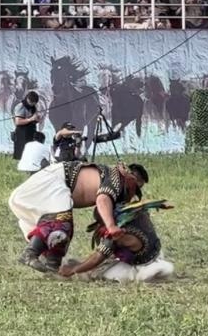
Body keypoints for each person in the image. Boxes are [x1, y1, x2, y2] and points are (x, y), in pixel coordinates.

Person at [9, 160, 148, 271]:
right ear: (131, 177)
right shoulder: (116, 177)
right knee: (61, 222)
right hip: (52, 181)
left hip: (52, 185)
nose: (133, 193)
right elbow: (103, 200)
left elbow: (102, 209)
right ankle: (30, 253)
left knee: (65, 229)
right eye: (136, 188)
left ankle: (52, 265)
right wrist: (111, 226)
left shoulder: (114, 180)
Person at [60, 201, 174, 283]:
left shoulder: (117, 234)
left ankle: (139, 274)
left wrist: (73, 270)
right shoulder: (135, 211)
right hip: (157, 253)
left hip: (141, 266)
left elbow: (96, 259)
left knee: (99, 273)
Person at [12, 90, 42, 160]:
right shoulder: (21, 106)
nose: (32, 105)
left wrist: (36, 119)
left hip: (31, 131)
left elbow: (33, 118)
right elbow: (18, 122)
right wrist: (31, 119)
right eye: (31, 103)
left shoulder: (33, 107)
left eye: (34, 103)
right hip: (22, 133)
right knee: (22, 154)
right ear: (28, 99)